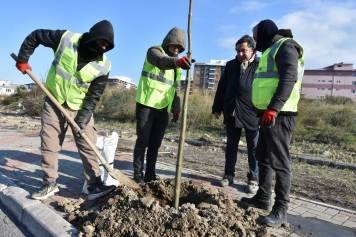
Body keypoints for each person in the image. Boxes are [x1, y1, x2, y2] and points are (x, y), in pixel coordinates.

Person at [15, 20, 116, 200]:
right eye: (101, 43)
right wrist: (23, 58)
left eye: (106, 46)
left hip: (80, 107)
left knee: (88, 145)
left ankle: (93, 185)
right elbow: (36, 35)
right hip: (54, 101)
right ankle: (50, 183)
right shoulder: (66, 39)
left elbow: (94, 95)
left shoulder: (104, 65)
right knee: (50, 144)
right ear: (93, 38)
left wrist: (83, 119)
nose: (103, 48)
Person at [240, 19, 305, 227]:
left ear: (266, 32)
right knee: (263, 156)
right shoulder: (271, 49)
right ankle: (263, 196)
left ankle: (280, 210)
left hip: (280, 114)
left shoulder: (286, 46)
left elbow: (289, 77)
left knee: (280, 162)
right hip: (267, 114)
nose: (255, 40)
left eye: (257, 36)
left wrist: (273, 107)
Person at [133, 27, 190, 186]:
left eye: (179, 48)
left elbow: (175, 88)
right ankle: (137, 174)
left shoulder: (178, 66)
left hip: (163, 108)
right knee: (143, 141)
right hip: (146, 104)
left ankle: (151, 173)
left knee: (155, 143)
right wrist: (177, 62)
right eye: (174, 45)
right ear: (167, 42)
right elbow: (160, 61)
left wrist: (175, 107)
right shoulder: (154, 51)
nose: (176, 49)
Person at [212, 35, 259, 194]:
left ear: (252, 50)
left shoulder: (260, 66)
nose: (239, 54)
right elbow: (221, 87)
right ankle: (228, 174)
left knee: (254, 148)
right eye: (237, 51)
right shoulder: (231, 65)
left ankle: (253, 178)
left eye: (243, 51)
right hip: (232, 111)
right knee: (231, 146)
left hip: (253, 112)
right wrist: (217, 107)